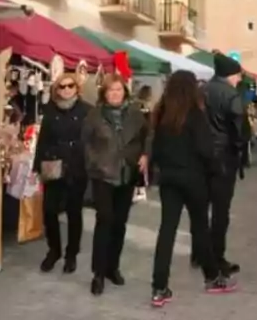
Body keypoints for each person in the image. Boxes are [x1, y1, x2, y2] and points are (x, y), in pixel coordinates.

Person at [148, 70, 238, 307]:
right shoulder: (195, 114)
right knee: (200, 228)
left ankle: (159, 287)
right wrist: (215, 170)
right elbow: (206, 149)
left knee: (166, 231)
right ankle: (211, 277)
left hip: (168, 179)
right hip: (193, 178)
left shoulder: (161, 114)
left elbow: (155, 149)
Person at [82, 73, 148, 295]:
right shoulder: (95, 115)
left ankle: (113, 267)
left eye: (118, 90)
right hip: (103, 174)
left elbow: (146, 137)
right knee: (104, 221)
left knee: (120, 223)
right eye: (111, 90)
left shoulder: (135, 114)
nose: (115, 94)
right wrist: (94, 162)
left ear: (125, 92)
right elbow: (85, 142)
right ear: (104, 93)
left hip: (127, 173)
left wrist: (145, 155)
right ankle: (98, 273)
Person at [190, 52, 245, 276]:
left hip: (200, 157)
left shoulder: (200, 91)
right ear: (230, 74)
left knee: (200, 208)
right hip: (223, 158)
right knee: (221, 211)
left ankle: (198, 253)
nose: (240, 79)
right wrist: (240, 149)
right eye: (238, 75)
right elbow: (239, 129)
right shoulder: (231, 94)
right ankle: (216, 257)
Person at [33, 73, 91, 275]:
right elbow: (42, 139)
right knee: (49, 211)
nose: (66, 90)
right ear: (56, 90)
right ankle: (54, 250)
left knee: (74, 212)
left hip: (76, 167)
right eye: (62, 87)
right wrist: (37, 166)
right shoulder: (50, 110)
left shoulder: (86, 111)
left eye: (70, 86)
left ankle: (71, 254)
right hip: (53, 165)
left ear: (77, 88)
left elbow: (91, 140)